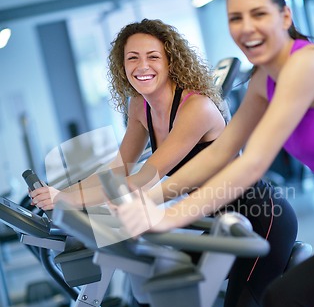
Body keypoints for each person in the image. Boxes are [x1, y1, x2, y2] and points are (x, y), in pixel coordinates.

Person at [116, 0, 314, 307]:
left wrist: (166, 214)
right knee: (280, 305)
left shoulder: (307, 65)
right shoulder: (262, 81)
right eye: (236, 17)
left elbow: (250, 163)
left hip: (266, 218)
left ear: (285, 15)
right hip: (244, 220)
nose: (246, 27)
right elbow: (217, 155)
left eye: (258, 13)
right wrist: (153, 201)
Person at [30, 18, 226, 210]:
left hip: (239, 214)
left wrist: (68, 199)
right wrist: (57, 193)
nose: (142, 66)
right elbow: (119, 168)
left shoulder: (196, 108)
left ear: (170, 62)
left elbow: (144, 179)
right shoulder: (139, 105)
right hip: (202, 211)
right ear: (122, 66)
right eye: (133, 58)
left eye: (153, 57)